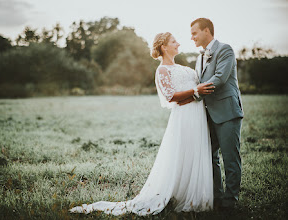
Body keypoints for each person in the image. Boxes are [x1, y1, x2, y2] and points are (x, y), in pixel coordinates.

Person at [69, 32, 215, 216]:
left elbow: (196, 90)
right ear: (164, 46)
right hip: (184, 117)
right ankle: (181, 197)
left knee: (196, 152)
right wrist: (195, 91)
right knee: (182, 153)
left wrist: (196, 93)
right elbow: (171, 96)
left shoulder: (184, 67)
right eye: (173, 41)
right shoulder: (162, 70)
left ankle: (192, 195)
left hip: (198, 114)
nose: (178, 43)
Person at [185, 18, 244, 211]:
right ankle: (217, 197)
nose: (191, 36)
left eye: (194, 33)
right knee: (209, 156)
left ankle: (230, 201)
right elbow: (197, 80)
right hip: (207, 114)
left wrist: (196, 92)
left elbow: (220, 78)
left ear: (207, 31)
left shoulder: (225, 50)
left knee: (230, 158)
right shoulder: (199, 57)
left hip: (227, 112)